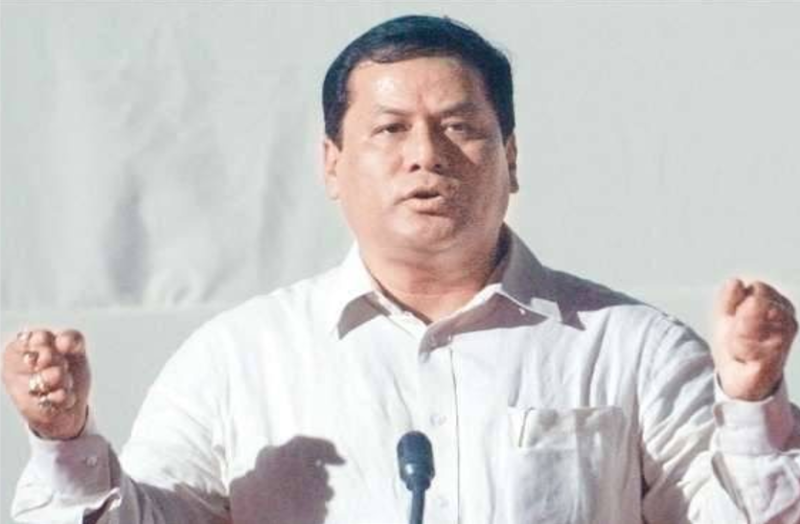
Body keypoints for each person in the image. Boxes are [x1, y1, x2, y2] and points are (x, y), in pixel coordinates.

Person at [3, 14, 799, 524]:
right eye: (389, 130)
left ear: (511, 157)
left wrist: (753, 401)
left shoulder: (632, 350)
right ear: (332, 164)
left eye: (459, 127)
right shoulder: (240, 361)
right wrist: (65, 443)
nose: (427, 156)